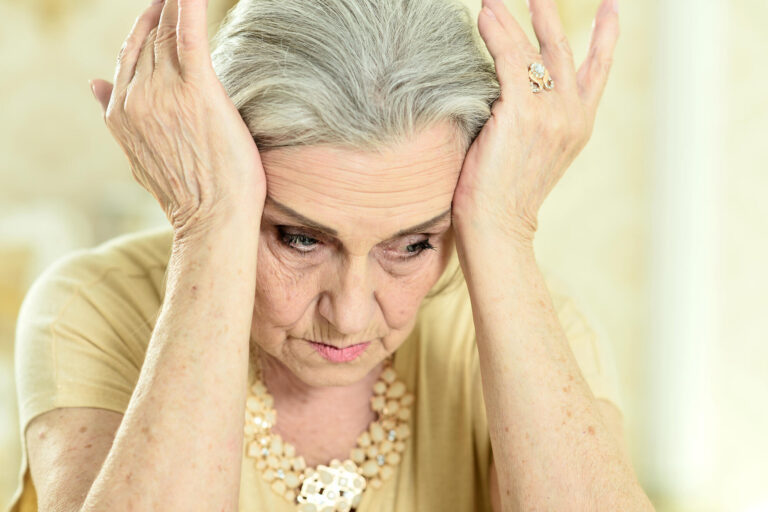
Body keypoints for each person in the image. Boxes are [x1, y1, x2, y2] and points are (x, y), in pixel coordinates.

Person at [8, 0, 654, 510]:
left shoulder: (538, 326)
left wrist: (506, 226)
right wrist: (209, 222)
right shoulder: (92, 306)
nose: (348, 316)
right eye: (300, 238)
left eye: (412, 244)